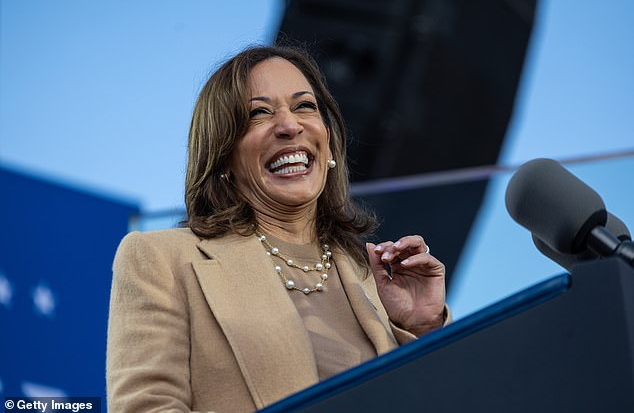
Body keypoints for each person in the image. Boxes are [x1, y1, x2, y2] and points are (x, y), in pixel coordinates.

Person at [106, 45, 449, 413]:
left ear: (328, 141)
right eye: (258, 113)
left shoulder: (372, 281)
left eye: (304, 106)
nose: (289, 125)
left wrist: (424, 328)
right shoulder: (162, 259)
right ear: (224, 155)